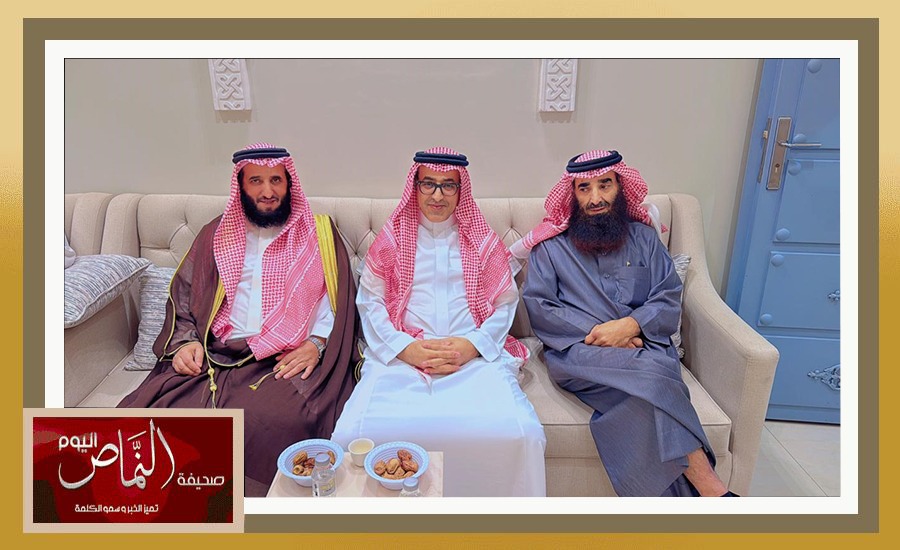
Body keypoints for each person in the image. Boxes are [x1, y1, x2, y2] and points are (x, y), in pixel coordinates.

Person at [119, 143, 361, 497]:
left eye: (276, 180)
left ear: (289, 183)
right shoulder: (215, 234)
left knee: (278, 420)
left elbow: (338, 301)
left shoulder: (320, 234)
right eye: (256, 181)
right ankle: (176, 501)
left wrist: (317, 343)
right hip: (217, 352)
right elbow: (186, 295)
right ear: (241, 186)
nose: (267, 191)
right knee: (156, 412)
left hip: (286, 356)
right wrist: (185, 343)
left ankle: (254, 507)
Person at [518, 149, 736, 497]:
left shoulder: (645, 239)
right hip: (580, 355)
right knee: (656, 372)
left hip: (643, 344)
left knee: (640, 401)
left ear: (620, 187)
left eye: (604, 185)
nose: (595, 198)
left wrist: (632, 325)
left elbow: (667, 294)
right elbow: (541, 307)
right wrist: (605, 333)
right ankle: (714, 491)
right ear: (572, 195)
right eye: (584, 188)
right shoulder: (551, 248)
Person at [331, 147, 547, 497]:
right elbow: (370, 304)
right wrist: (405, 348)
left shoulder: (482, 241)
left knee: (523, 433)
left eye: (448, 185)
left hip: (473, 361)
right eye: (428, 184)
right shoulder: (391, 240)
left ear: (460, 192)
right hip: (402, 360)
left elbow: (505, 302)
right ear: (415, 187)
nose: (437, 195)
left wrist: (472, 345)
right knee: (350, 435)